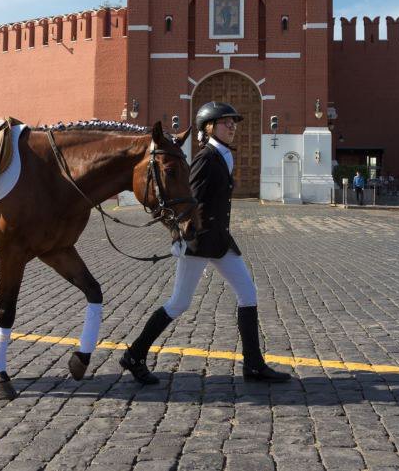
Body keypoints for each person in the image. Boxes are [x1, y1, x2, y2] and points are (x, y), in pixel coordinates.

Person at [119, 101, 291, 384]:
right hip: (198, 243)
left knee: (248, 293)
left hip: (220, 241)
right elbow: (187, 201)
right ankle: (134, 355)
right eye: (226, 122)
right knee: (179, 303)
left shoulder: (223, 155)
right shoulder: (205, 158)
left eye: (233, 122)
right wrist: (178, 236)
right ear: (209, 128)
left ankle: (254, 365)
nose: (232, 127)